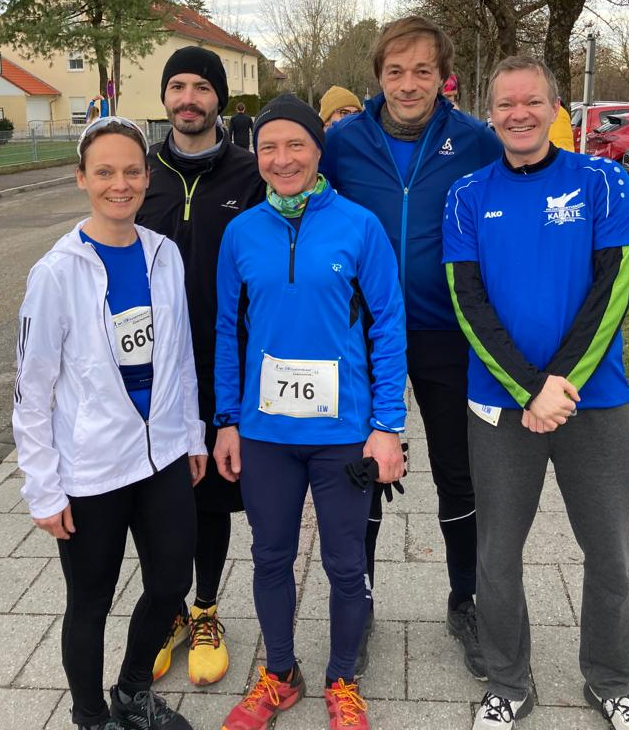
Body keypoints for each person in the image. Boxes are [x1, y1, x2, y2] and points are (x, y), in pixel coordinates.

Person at [442, 56, 629, 730]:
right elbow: (465, 301)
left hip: (596, 403)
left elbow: (613, 288)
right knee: (497, 555)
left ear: (555, 107)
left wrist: (560, 385)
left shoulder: (603, 179)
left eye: (531, 101)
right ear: (490, 113)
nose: (517, 114)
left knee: (609, 554)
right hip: (501, 407)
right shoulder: (466, 193)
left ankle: (612, 679)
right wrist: (530, 391)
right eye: (504, 104)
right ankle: (507, 681)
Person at [213, 93, 407, 730]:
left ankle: (343, 678)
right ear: (257, 155)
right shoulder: (241, 232)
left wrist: (387, 427)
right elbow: (225, 330)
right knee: (269, 557)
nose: (282, 158)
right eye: (269, 147)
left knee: (345, 564)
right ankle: (279, 674)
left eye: (295, 144)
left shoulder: (358, 226)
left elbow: (387, 327)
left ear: (318, 150)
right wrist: (228, 420)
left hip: (343, 434)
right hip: (266, 433)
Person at [321, 15, 502, 678]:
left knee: (458, 471)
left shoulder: (475, 142)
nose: (407, 83)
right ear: (377, 76)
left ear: (441, 77)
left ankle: (466, 601)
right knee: (359, 472)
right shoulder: (342, 143)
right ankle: (357, 603)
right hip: (361, 337)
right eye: (395, 71)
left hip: (443, 333)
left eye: (422, 70)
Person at [12, 116, 206, 730]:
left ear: (147, 178)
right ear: (81, 179)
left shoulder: (165, 255)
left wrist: (192, 433)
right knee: (90, 602)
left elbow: (181, 358)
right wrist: (43, 488)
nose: (119, 184)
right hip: (92, 469)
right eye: (104, 172)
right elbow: (31, 393)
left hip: (163, 456)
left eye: (130, 171)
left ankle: (131, 692)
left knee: (171, 581)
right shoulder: (56, 273)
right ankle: (91, 717)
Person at [136, 45, 265, 686]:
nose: (188, 98)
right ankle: (168, 611)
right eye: (177, 86)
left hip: (224, 363)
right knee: (158, 496)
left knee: (212, 494)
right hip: (149, 372)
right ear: (166, 97)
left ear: (220, 98)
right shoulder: (142, 175)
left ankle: (208, 608)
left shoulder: (250, 175)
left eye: (201, 87)